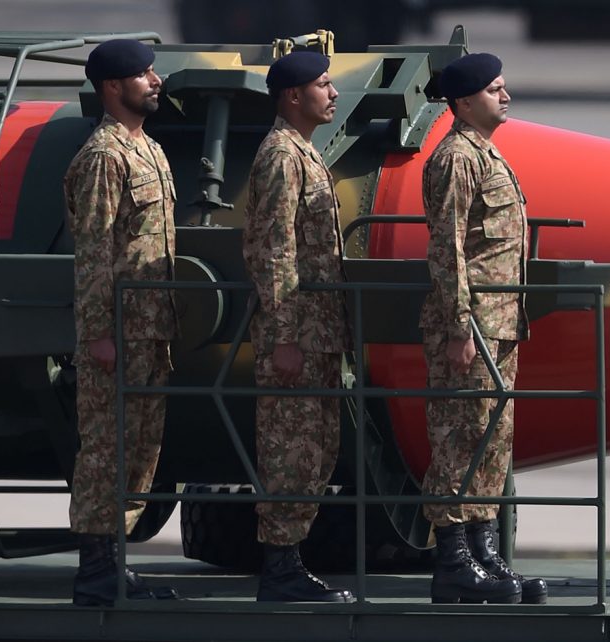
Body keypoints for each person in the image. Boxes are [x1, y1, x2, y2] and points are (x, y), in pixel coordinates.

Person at [419, 53, 548, 604]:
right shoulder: (456, 159)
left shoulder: (486, 153)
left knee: (491, 441)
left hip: (497, 324)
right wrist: (457, 325)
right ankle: (453, 562)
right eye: (496, 90)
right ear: (466, 101)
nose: (507, 97)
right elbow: (446, 248)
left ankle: (483, 552)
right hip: (469, 326)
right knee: (459, 439)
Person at [63, 38, 179, 606]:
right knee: (107, 448)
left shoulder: (149, 150)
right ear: (113, 87)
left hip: (153, 331)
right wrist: (100, 332)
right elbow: (93, 253)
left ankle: (115, 563)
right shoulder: (103, 157)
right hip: (118, 331)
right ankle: (95, 569)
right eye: (143, 74)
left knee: (140, 450)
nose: (155, 81)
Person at [242, 50, 352, 603]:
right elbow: (273, 250)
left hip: (317, 334)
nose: (333, 94)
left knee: (315, 449)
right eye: (323, 85)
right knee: (290, 449)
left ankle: (290, 563)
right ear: (292, 96)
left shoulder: (304, 154)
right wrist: (284, 334)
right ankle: (280, 568)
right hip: (297, 336)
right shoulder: (282, 156)